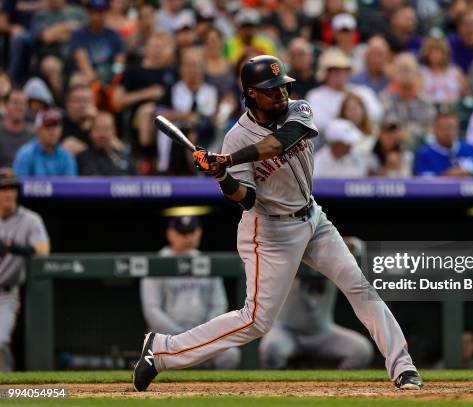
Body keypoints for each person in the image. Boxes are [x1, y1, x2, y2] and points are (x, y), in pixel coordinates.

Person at [132, 55, 423, 392]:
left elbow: (282, 141)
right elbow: (246, 199)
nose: (281, 94)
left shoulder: (299, 110)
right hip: (269, 231)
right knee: (256, 321)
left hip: (313, 217)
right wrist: (222, 175)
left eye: (283, 86)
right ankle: (162, 350)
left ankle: (403, 368)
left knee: (359, 286)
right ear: (252, 93)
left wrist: (227, 161)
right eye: (271, 90)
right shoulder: (236, 137)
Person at [140, 216, 240, 369]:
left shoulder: (207, 263)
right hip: (168, 338)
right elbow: (152, 311)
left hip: (203, 337)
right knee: (153, 355)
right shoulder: (157, 263)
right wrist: (181, 338)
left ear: (199, 233)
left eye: (191, 232)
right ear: (170, 233)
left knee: (230, 355)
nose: (187, 237)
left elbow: (219, 305)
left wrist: (203, 334)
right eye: (182, 233)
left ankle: (214, 393)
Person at [259, 273, 373, 369]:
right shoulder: (287, 251)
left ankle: (336, 390)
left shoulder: (335, 254)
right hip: (286, 331)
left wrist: (340, 246)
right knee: (272, 348)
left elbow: (355, 249)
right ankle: (280, 391)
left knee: (361, 350)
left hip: (322, 333)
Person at [0, 168, 50, 371]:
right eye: (3, 189)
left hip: (6, 294)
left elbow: (43, 251)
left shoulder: (30, 220)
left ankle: (5, 389)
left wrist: (12, 247)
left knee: (0, 341)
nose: (9, 193)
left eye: (12, 188)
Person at [306, 48, 382, 134]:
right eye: (334, 70)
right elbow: (317, 123)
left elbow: (377, 114)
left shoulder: (363, 91)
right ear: (326, 73)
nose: (340, 74)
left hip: (364, 140)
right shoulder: (315, 96)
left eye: (343, 69)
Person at [414, 112, 473, 177]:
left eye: (451, 128)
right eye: (443, 128)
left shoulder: (470, 149)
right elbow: (425, 184)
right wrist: (447, 176)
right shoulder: (425, 153)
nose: (448, 132)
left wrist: (472, 175)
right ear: (434, 130)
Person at [68, 0, 126, 86]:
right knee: (76, 80)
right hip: (86, 75)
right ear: (88, 14)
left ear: (106, 14)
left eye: (101, 12)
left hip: (108, 74)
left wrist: (115, 78)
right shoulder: (78, 35)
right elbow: (83, 62)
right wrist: (96, 84)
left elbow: (119, 61)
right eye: (94, 13)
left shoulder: (115, 36)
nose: (98, 17)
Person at [13, 109, 77, 176]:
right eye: (48, 127)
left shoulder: (66, 157)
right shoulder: (25, 154)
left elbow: (70, 185)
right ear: (38, 130)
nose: (53, 132)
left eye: (56, 127)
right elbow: (19, 183)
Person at [419, 36, 466, 105]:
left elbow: (464, 93)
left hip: (453, 108)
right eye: (432, 52)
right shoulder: (421, 72)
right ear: (426, 53)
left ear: (445, 54)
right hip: (429, 109)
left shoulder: (455, 72)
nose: (435, 55)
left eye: (438, 52)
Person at [0, 89, 35, 167]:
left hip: (26, 178)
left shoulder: (34, 133)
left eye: (23, 104)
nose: (19, 107)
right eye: (15, 103)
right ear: (5, 105)